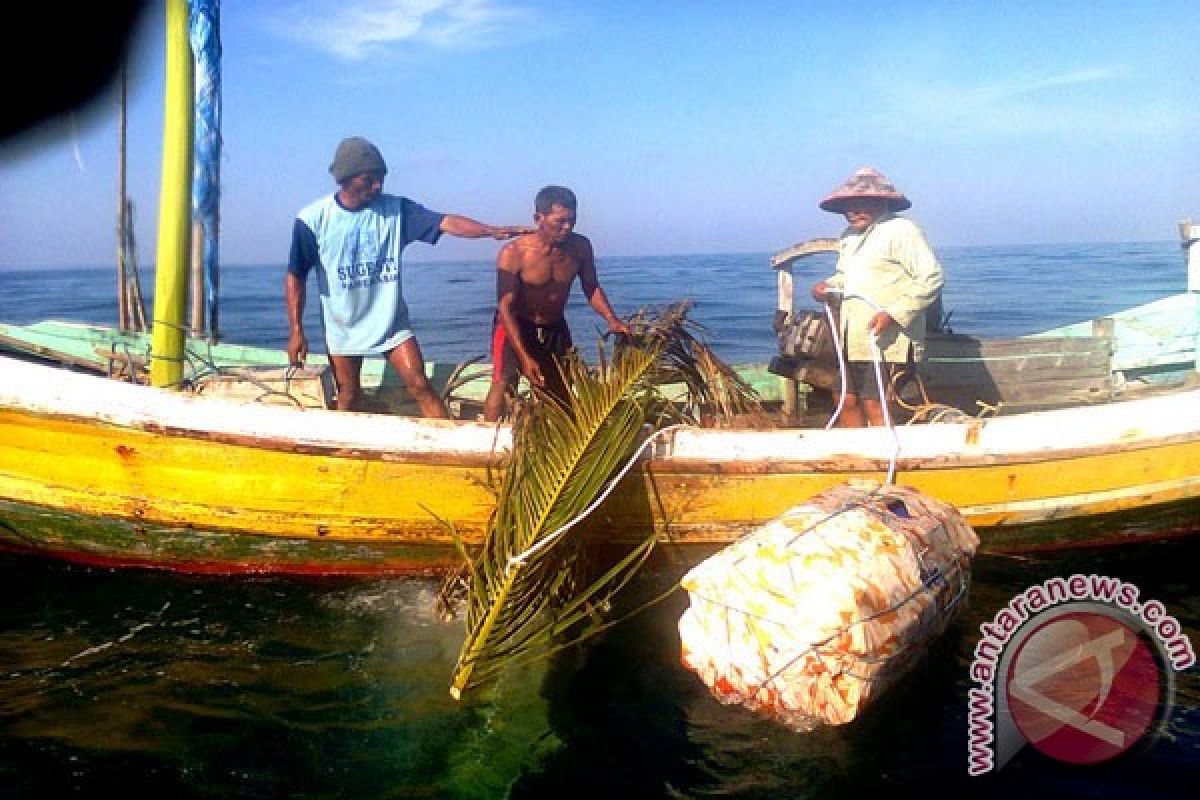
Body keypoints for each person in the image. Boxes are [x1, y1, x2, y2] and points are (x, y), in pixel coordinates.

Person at [286, 136, 530, 417]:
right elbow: (296, 276)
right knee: (349, 394)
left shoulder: (397, 210)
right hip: (343, 326)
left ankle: (448, 444)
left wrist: (491, 231)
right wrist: (296, 330)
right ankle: (345, 451)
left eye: (381, 179)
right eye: (369, 180)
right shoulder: (313, 220)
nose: (377, 186)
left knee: (420, 385)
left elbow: (446, 222)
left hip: (391, 324)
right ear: (346, 179)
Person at [482, 185, 631, 421]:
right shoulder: (514, 253)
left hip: (554, 325)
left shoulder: (580, 247)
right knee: (504, 383)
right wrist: (524, 356)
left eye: (572, 221)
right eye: (559, 222)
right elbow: (505, 307)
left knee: (560, 387)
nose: (567, 228)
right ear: (538, 218)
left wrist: (612, 319)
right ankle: (485, 442)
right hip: (514, 324)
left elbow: (591, 286)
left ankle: (552, 440)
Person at [810, 166, 944, 428]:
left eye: (863, 203)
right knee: (844, 398)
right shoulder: (849, 237)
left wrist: (893, 314)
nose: (854, 211)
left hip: (888, 340)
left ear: (882, 202)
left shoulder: (902, 230)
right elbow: (845, 276)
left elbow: (931, 277)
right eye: (849, 205)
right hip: (855, 337)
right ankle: (858, 457)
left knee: (876, 402)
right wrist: (827, 286)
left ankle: (884, 459)